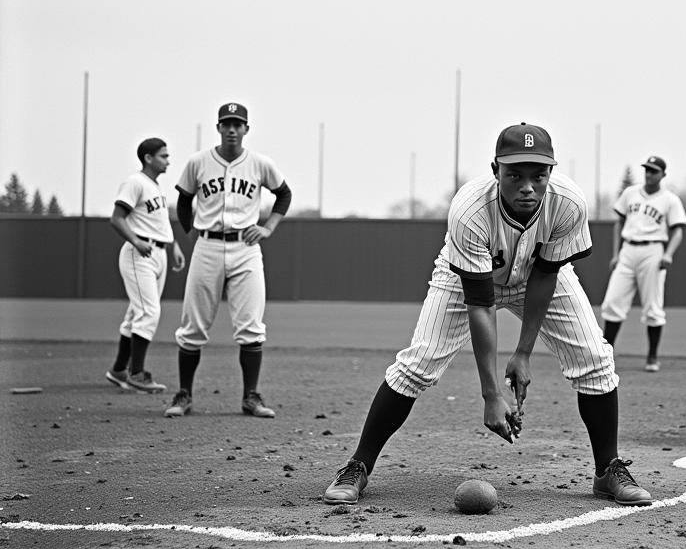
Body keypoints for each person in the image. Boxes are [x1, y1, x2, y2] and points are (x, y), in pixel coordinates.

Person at [322, 122, 652, 508]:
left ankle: (607, 470)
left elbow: (546, 275)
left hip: (537, 273)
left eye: (538, 175)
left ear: (551, 173)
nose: (527, 186)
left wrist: (524, 352)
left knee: (595, 359)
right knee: (419, 363)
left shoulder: (569, 203)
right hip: (464, 276)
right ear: (496, 171)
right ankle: (357, 466)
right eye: (515, 175)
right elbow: (481, 305)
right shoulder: (470, 209)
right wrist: (491, 394)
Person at [165, 102, 292, 418]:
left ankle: (251, 396)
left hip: (246, 248)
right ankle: (184, 395)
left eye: (238, 124)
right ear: (218, 127)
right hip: (208, 246)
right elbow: (183, 200)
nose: (232, 129)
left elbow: (284, 194)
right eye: (227, 124)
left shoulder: (260, 164)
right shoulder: (198, 162)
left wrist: (268, 227)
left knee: (251, 325)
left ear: (246, 129)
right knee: (193, 325)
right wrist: (191, 231)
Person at [105, 138, 185, 393]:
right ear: (148, 158)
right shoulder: (135, 182)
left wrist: (174, 246)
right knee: (149, 313)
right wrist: (136, 241)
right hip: (139, 254)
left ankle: (119, 370)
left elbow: (160, 222)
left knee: (136, 315)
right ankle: (137, 374)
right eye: (163, 156)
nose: (168, 160)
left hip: (157, 251)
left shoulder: (155, 186)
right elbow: (117, 219)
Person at [600, 155, 686, 372]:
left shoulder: (670, 199)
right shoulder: (630, 193)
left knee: (653, 306)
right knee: (612, 302)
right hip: (628, 249)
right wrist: (616, 253)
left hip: (653, 250)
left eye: (654, 171)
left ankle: (652, 357)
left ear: (663, 175)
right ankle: (605, 356)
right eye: (647, 169)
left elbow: (677, 231)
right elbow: (619, 223)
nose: (649, 174)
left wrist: (668, 254)